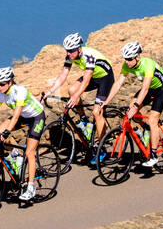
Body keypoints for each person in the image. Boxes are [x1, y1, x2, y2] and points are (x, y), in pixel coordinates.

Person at [46, 32, 115, 163]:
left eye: (71, 51)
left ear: (78, 49)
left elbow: (86, 81)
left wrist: (76, 96)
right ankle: (85, 121)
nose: (69, 54)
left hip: (105, 78)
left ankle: (102, 148)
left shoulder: (88, 56)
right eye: (67, 51)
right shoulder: (70, 56)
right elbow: (63, 75)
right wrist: (49, 91)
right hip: (94, 76)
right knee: (71, 89)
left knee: (96, 112)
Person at [106, 41, 163, 168]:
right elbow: (118, 83)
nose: (128, 62)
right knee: (132, 109)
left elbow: (145, 88)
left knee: (152, 119)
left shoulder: (148, 64)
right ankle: (145, 129)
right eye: (126, 59)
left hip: (162, 88)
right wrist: (106, 101)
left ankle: (153, 155)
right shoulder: (127, 65)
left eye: (130, 59)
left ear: (137, 57)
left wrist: (135, 107)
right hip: (150, 88)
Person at [0, 66, 45, 202]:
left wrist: (7, 132)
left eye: (2, 84)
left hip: (36, 117)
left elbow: (16, 115)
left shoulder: (20, 91)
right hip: (24, 116)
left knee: (29, 152)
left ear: (10, 82)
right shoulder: (1, 94)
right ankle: (16, 156)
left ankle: (30, 187)